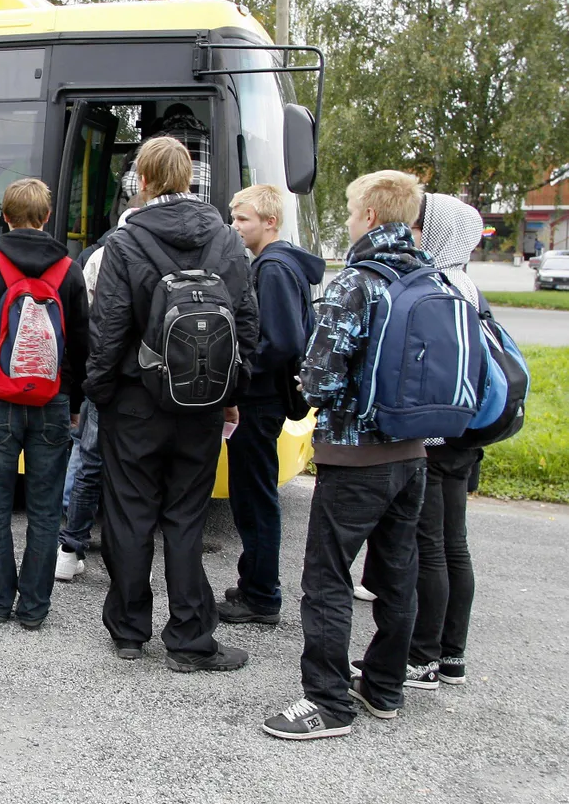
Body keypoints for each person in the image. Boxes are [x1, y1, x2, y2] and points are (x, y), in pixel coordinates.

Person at [263, 170, 431, 740]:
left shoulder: (356, 283)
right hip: (414, 453)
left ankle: (328, 703)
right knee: (397, 572)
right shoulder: (432, 279)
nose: (351, 219)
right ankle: (384, 687)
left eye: (354, 211)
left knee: (329, 578)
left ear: (372, 219)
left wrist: (305, 380)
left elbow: (320, 379)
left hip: (356, 457)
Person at [85, 137, 258, 669]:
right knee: (186, 518)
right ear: (190, 178)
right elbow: (246, 326)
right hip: (200, 402)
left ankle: (129, 630)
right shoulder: (227, 241)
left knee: (129, 514)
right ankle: (188, 638)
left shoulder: (124, 242)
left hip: (136, 401)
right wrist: (229, 395)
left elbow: (108, 329)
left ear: (142, 179)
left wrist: (102, 394)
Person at [0, 179, 90, 628]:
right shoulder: (69, 270)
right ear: (47, 217)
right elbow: (83, 347)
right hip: (52, 403)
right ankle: (33, 609)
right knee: (46, 508)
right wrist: (72, 398)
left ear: (5, 216)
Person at [219, 185, 325, 625]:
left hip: (259, 401)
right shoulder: (275, 264)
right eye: (234, 218)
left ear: (270, 223)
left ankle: (261, 596)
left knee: (255, 497)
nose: (235, 226)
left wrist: (240, 373)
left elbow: (281, 342)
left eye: (243, 219)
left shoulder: (275, 268)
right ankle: (253, 582)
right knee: (251, 495)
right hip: (264, 398)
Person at [405, 193, 490, 689]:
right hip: (466, 433)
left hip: (435, 437)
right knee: (455, 546)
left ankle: (422, 657)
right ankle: (452, 655)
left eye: (419, 225)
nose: (412, 232)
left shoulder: (438, 286)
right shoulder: (470, 286)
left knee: (428, 547)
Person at [56, 239, 108, 582]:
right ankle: (131, 560)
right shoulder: (203, 247)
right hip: (153, 382)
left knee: (88, 460)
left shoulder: (103, 255)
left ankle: (69, 550)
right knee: (138, 473)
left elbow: (85, 327)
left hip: (103, 375)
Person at [117, 104, 212, 215]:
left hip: (157, 218)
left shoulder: (152, 143)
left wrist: (154, 195)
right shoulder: (214, 143)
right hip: (205, 219)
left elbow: (130, 186)